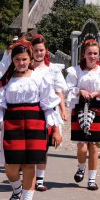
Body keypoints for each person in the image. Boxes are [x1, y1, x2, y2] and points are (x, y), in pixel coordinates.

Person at [0, 42, 62, 200]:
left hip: (35, 123)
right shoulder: (5, 81)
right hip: (12, 123)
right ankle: (16, 189)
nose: (21, 63)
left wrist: (56, 129)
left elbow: (49, 105)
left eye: (24, 59)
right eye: (17, 59)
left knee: (30, 164)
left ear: (30, 59)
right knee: (10, 166)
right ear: (12, 60)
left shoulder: (40, 78)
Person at [66, 39, 100, 191]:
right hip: (80, 108)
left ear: (98, 55)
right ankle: (81, 167)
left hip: (97, 109)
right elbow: (67, 87)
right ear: (84, 54)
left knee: (94, 145)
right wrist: (79, 90)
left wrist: (98, 93)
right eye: (90, 53)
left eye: (95, 53)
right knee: (82, 145)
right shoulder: (75, 71)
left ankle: (92, 179)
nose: (92, 56)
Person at [30, 34, 68, 191]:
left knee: (43, 146)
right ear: (31, 51)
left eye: (41, 50)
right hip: (31, 111)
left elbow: (59, 92)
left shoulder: (52, 70)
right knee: (30, 145)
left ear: (46, 51)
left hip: (48, 111)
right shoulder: (27, 67)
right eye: (36, 50)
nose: (39, 53)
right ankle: (28, 177)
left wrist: (63, 110)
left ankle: (39, 179)